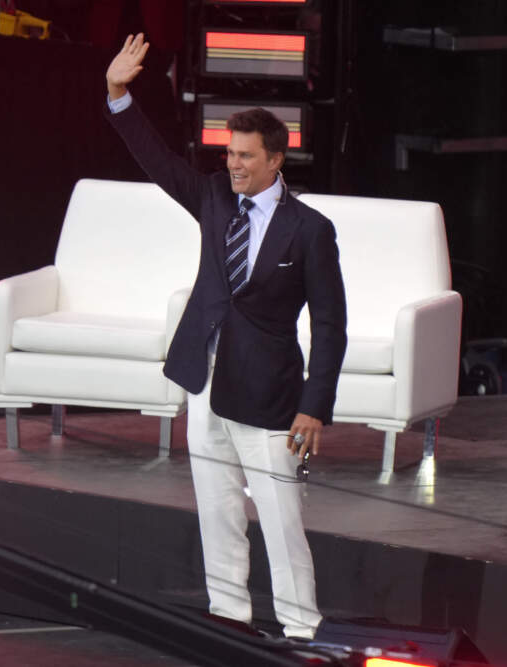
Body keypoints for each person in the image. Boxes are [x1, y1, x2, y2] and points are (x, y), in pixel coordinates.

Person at [104, 34, 347, 640]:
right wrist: (118, 94)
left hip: (269, 392)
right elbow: (158, 162)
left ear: (274, 161)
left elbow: (331, 324)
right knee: (216, 509)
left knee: (280, 514)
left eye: (244, 155)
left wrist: (314, 407)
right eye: (229, 153)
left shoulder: (310, 230)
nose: (232, 163)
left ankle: (299, 628)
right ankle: (228, 617)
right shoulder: (213, 197)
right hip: (203, 377)